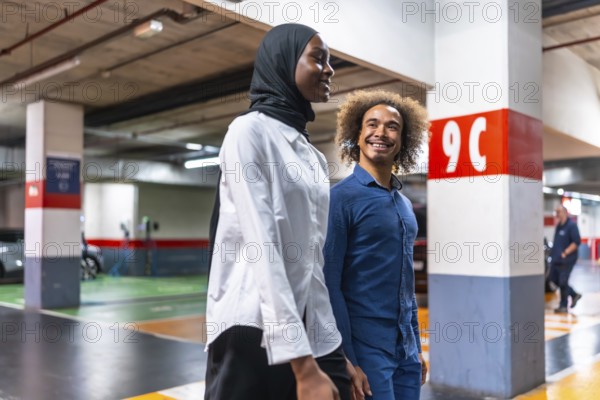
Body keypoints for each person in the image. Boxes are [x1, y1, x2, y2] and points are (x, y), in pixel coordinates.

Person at [204, 24, 350, 400]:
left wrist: (332, 348)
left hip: (305, 324)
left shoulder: (313, 157)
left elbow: (311, 264)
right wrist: (302, 364)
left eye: (330, 61)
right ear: (284, 64)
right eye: (318, 58)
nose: (330, 69)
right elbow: (261, 246)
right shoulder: (248, 132)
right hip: (252, 327)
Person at [324, 90, 429, 400]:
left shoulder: (405, 205)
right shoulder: (340, 199)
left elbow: (405, 284)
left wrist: (416, 347)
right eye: (372, 124)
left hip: (406, 348)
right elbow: (329, 284)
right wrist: (347, 359)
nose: (381, 132)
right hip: (366, 350)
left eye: (392, 126)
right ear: (357, 135)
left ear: (403, 140)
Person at [549, 205, 582, 313]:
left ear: (565, 212)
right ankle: (574, 294)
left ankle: (563, 306)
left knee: (563, 282)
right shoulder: (559, 226)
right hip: (556, 260)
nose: (557, 213)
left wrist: (565, 253)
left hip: (567, 260)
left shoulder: (571, 226)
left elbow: (576, 242)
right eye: (556, 211)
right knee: (552, 279)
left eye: (559, 211)